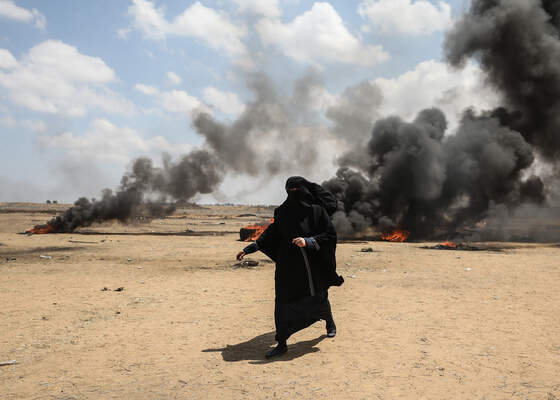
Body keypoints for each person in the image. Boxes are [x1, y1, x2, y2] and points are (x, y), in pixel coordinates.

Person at [236, 176, 344, 358]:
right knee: (283, 303)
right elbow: (270, 234)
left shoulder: (317, 211)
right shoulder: (282, 212)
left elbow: (329, 234)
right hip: (287, 266)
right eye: (290, 191)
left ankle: (329, 321)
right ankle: (282, 342)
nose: (293, 195)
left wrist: (308, 241)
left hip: (311, 266)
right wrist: (249, 248)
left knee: (316, 297)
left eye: (297, 191)